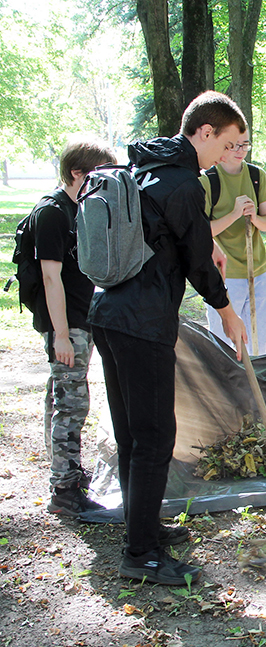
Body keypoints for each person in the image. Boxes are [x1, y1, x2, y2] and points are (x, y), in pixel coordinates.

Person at [88, 91, 247, 585]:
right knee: (155, 435)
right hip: (142, 321)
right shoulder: (183, 181)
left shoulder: (145, 166)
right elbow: (197, 259)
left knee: (134, 433)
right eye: (225, 144)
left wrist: (204, 242)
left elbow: (174, 237)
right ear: (203, 133)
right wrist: (226, 311)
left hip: (107, 311)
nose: (226, 155)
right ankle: (141, 555)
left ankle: (145, 527)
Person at [29, 139, 116, 517]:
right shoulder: (52, 213)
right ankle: (63, 491)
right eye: (97, 176)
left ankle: (68, 474)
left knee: (63, 399)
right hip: (67, 326)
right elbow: (51, 279)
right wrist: (62, 336)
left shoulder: (78, 207)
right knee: (71, 405)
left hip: (82, 318)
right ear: (77, 173)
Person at [200, 131, 266, 355]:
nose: (240, 150)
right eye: (233, 145)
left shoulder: (256, 176)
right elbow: (202, 232)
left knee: (259, 341)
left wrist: (254, 218)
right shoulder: (207, 180)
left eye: (245, 145)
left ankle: (255, 387)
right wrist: (234, 215)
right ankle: (228, 388)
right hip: (225, 274)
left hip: (257, 271)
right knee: (225, 343)